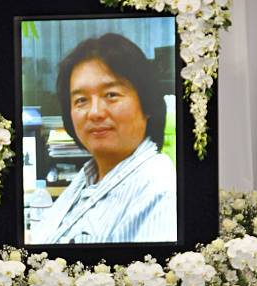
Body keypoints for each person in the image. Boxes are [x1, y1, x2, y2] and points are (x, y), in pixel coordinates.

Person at [34, 32, 177, 244]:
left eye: (111, 95)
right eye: (81, 100)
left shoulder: (162, 193)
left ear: (147, 104)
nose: (95, 112)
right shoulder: (90, 177)